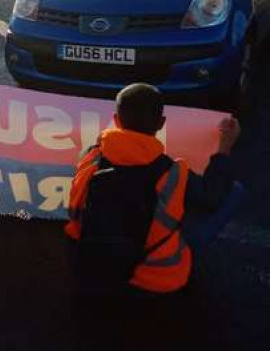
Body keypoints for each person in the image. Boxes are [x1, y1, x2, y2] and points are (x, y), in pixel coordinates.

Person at [66, 83, 245, 295]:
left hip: (88, 267)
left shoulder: (90, 156)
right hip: (156, 277)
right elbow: (212, 196)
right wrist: (224, 148)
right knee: (234, 191)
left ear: (115, 120)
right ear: (161, 123)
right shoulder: (175, 173)